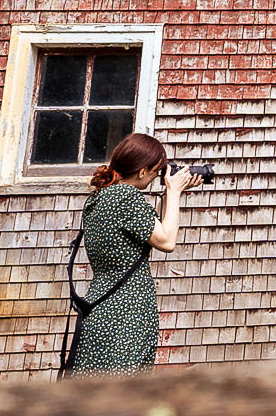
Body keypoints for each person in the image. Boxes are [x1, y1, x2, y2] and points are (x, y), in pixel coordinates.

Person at [66, 130, 202, 372]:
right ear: (141, 171)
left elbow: (153, 227)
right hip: (127, 311)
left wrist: (170, 195)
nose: (155, 177)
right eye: (155, 172)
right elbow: (167, 241)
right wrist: (174, 192)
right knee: (125, 388)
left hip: (99, 306)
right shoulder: (126, 197)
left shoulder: (100, 197)